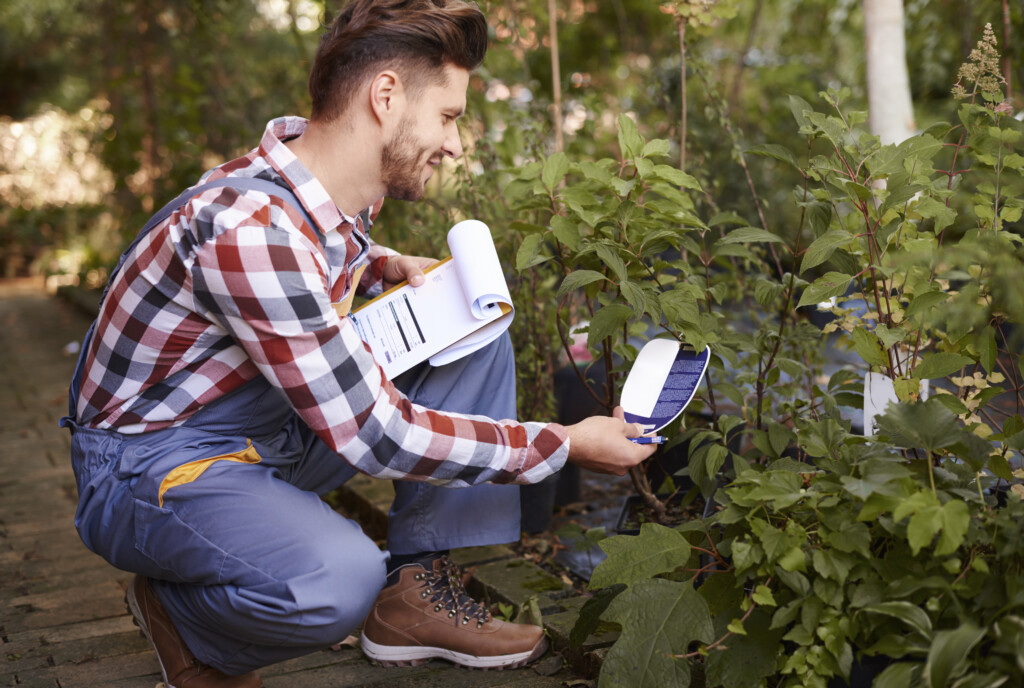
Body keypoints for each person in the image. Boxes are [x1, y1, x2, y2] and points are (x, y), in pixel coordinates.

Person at [60, 1, 656, 686]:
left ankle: (416, 590)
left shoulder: (327, 196)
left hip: (261, 433)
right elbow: (376, 434)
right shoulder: (248, 228)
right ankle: (188, 623)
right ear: (385, 96)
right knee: (336, 579)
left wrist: (384, 263)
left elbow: (312, 262)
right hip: (150, 467)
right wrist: (566, 444)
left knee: (472, 327)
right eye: (449, 117)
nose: (457, 144)